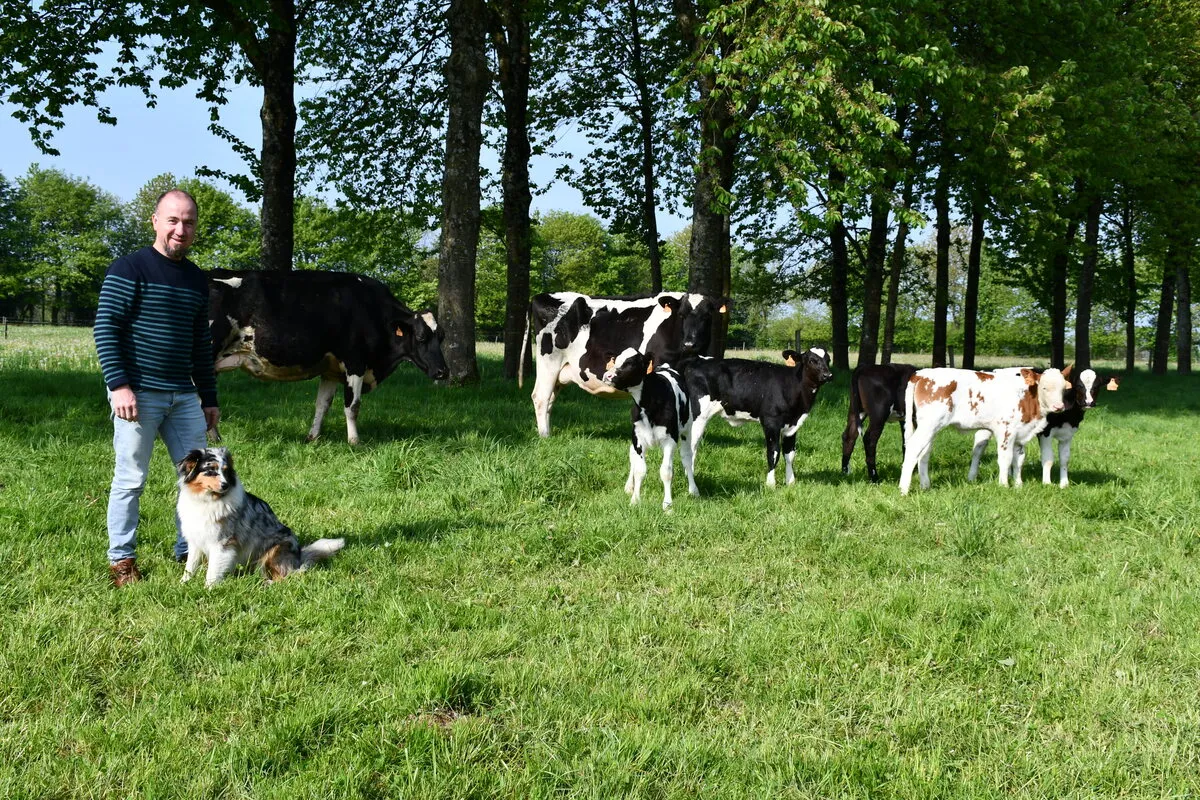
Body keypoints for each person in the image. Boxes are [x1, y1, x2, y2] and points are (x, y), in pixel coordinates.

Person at [94, 189, 220, 586]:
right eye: (173, 220)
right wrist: (119, 385)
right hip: (138, 394)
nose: (181, 229)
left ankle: (189, 549)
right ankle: (122, 560)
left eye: (188, 222)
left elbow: (201, 344)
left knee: (199, 477)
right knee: (131, 479)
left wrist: (209, 398)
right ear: (155, 221)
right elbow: (106, 328)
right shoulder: (129, 269)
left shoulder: (197, 280)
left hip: (183, 395)